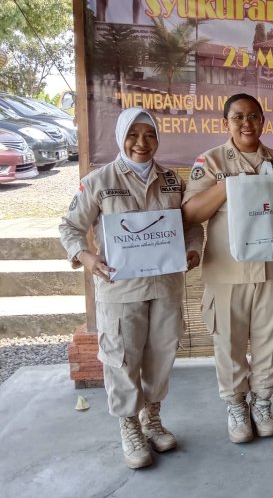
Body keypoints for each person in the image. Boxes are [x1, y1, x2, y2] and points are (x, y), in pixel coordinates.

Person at [59, 107, 204, 469]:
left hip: (166, 287)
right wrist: (87, 258)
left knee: (160, 355)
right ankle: (129, 426)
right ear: (121, 137)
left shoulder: (172, 180)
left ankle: (151, 419)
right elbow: (70, 227)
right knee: (123, 360)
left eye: (150, 135)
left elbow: (192, 225)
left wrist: (193, 250)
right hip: (120, 290)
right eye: (133, 135)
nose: (142, 143)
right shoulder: (99, 181)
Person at [182, 93, 273, 444]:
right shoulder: (212, 161)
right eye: (238, 117)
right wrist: (227, 186)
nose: (246, 123)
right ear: (226, 123)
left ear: (263, 121)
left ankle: (262, 403)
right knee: (229, 343)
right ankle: (236, 406)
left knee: (269, 340)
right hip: (227, 272)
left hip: (272, 268)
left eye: (253, 116)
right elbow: (191, 213)